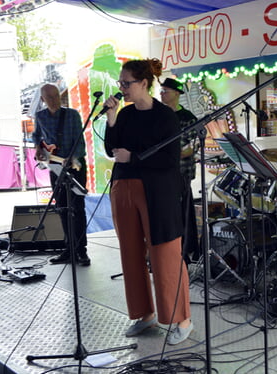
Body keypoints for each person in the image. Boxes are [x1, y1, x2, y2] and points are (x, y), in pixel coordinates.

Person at [102, 58, 192, 345]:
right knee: (130, 253)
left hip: (157, 191)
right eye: (120, 83)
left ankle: (182, 319)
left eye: (126, 83)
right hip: (124, 186)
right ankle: (144, 314)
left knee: (164, 253)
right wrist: (112, 117)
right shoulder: (125, 115)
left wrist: (135, 157)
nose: (122, 88)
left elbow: (169, 158)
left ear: (143, 83)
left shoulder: (166, 116)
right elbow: (110, 148)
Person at [32, 83, 90, 266]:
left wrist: (72, 158)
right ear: (42, 100)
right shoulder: (40, 116)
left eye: (56, 96)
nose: (54, 100)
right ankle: (69, 249)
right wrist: (38, 148)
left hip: (75, 166)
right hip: (55, 167)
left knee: (77, 209)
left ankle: (82, 251)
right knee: (62, 208)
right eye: (49, 97)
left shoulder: (72, 114)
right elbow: (36, 136)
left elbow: (80, 143)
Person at [159, 78, 200, 263]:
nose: (161, 94)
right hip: (161, 174)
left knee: (182, 214)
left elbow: (191, 147)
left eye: (165, 90)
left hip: (181, 174)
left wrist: (168, 155)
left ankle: (185, 251)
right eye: (161, 90)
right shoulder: (157, 115)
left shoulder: (187, 118)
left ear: (177, 93)